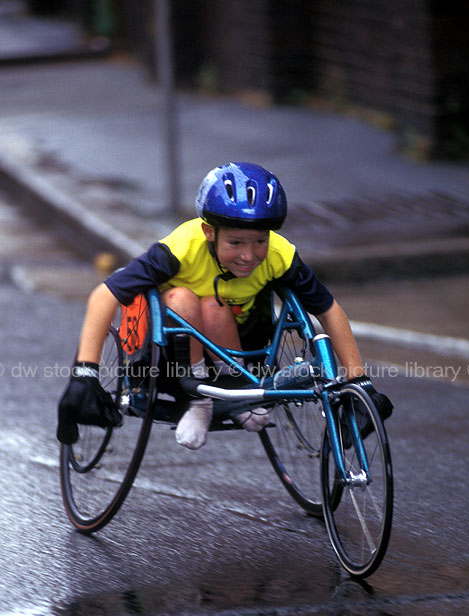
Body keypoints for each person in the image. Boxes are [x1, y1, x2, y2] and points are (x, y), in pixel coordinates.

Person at [57, 161, 392, 449]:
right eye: (235, 242)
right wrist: (85, 374)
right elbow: (104, 295)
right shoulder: (180, 248)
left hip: (243, 353)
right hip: (172, 361)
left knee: (216, 306)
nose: (249, 255)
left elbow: (328, 309)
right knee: (183, 296)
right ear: (208, 232)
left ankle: (240, 391)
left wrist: (357, 379)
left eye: (260, 241)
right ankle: (200, 403)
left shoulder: (279, 256)